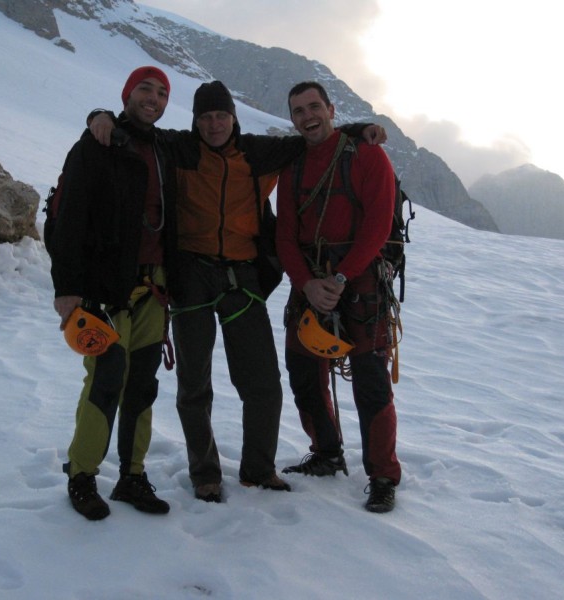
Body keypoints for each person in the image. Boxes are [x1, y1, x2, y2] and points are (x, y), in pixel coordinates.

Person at [89, 81, 386, 503]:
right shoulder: (178, 149)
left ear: (233, 117)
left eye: (221, 116)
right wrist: (99, 117)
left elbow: (315, 135)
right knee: (195, 384)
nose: (214, 125)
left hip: (242, 277)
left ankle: (259, 469)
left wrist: (358, 130)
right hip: (191, 275)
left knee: (263, 381)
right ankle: (205, 473)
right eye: (205, 117)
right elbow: (136, 129)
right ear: (195, 121)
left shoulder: (257, 152)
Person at [49, 66, 180, 520]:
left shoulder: (166, 148)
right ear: (127, 94)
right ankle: (82, 475)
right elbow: (66, 219)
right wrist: (67, 289)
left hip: (155, 286)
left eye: (162, 92)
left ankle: (132, 475)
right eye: (145, 89)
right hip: (107, 288)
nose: (154, 98)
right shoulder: (97, 143)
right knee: (105, 379)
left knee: (142, 385)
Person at [275, 81, 402, 513]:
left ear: (331, 109)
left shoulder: (369, 155)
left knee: (370, 380)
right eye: (298, 111)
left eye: (314, 107)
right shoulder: (291, 167)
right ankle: (327, 451)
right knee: (302, 371)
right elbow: (285, 235)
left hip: (361, 281)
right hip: (311, 280)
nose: (308, 116)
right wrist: (308, 283)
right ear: (291, 119)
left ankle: (382, 474)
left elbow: (379, 225)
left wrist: (341, 278)